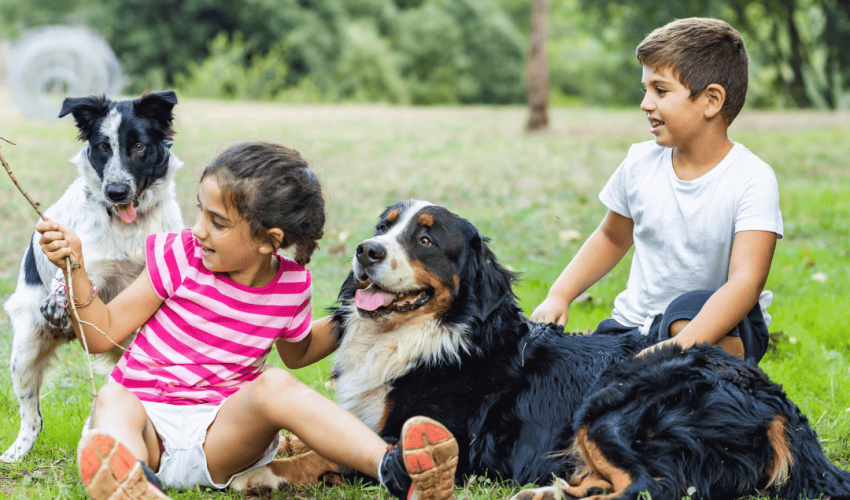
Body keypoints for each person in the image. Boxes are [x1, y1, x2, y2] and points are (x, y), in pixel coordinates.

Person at [36, 142, 458, 500]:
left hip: (222, 437)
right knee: (114, 398)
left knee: (274, 384)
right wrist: (75, 270)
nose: (198, 230)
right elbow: (102, 333)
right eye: (200, 213)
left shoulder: (291, 286)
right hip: (147, 431)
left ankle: (395, 469)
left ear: (268, 241)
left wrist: (368, 312)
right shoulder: (179, 256)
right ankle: (130, 481)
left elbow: (297, 355)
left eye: (216, 222)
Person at [530, 18, 783, 364]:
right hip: (635, 327)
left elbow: (746, 282)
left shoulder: (752, 178)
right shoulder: (639, 163)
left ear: (711, 101)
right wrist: (559, 295)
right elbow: (611, 237)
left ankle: (725, 371)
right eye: (645, 90)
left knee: (682, 316)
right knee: (575, 378)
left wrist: (675, 348)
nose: (646, 103)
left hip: (720, 326)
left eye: (660, 91)